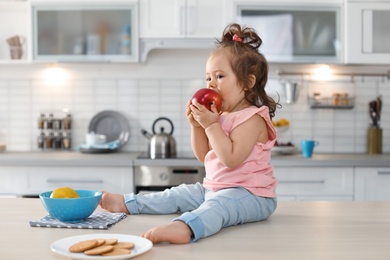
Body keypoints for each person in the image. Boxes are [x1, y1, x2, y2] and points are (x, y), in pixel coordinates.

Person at [99, 23, 279, 244]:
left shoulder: (252, 118)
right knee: (178, 193)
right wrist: (197, 126)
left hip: (251, 195)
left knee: (218, 207)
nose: (211, 83)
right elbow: (204, 156)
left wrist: (211, 126)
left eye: (220, 76)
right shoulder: (220, 116)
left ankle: (185, 227)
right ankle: (128, 203)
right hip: (214, 188)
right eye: (208, 78)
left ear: (247, 83)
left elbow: (231, 159)